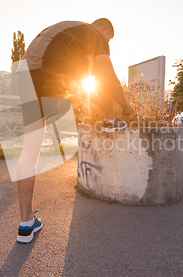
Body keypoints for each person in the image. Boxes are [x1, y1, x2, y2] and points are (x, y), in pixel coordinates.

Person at [15, 18, 133, 243]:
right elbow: (107, 73)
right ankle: (111, 118)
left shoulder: (70, 36)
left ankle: (26, 225)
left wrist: (99, 101)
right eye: (108, 40)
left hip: (25, 76)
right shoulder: (93, 34)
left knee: (30, 148)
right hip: (46, 73)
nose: (107, 45)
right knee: (101, 71)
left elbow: (74, 86)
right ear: (104, 29)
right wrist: (125, 105)